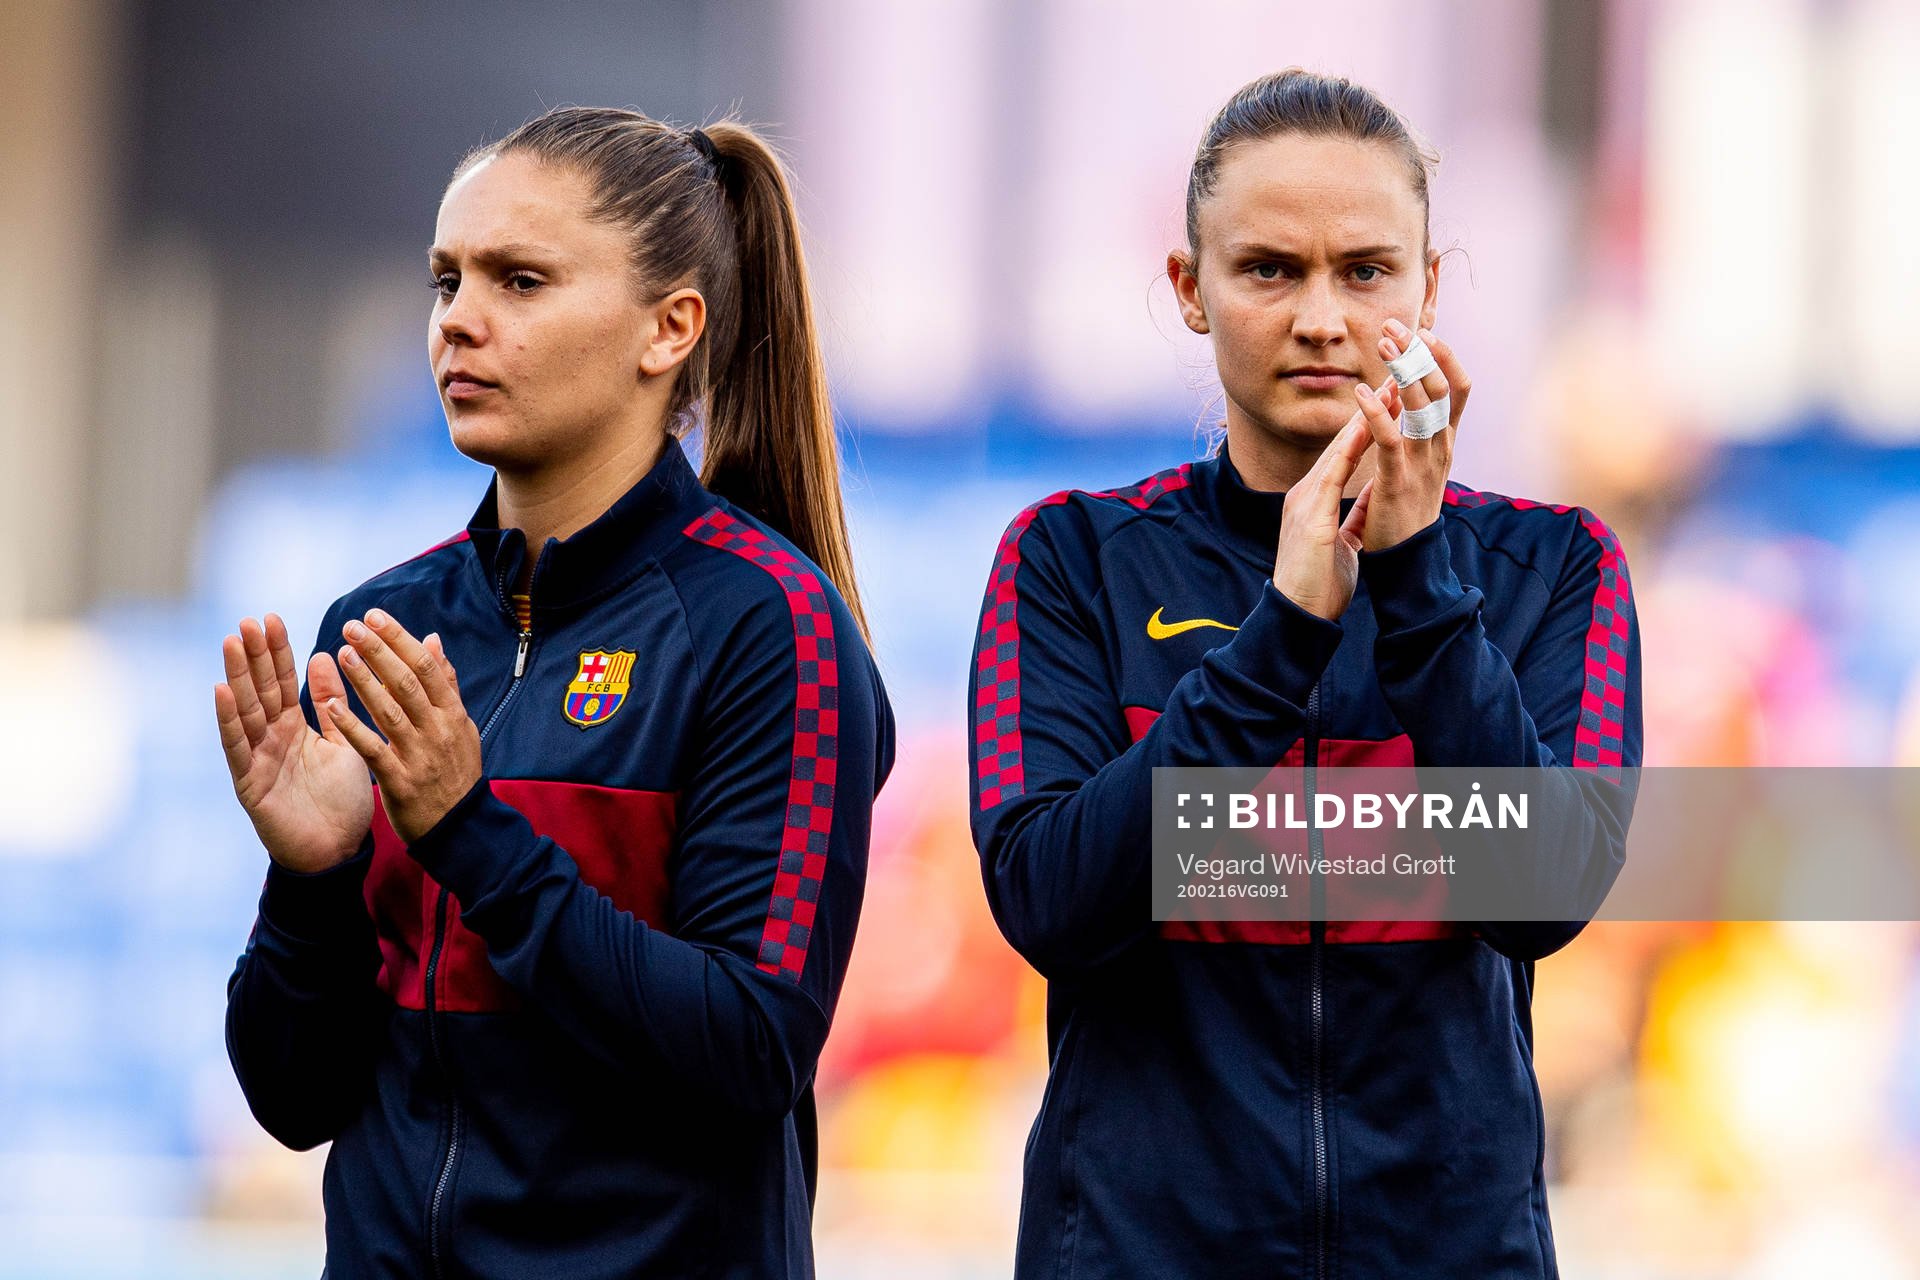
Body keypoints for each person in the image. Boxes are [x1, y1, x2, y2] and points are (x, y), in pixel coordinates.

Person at [966, 70, 1640, 1279]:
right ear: (1191, 288)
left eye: (1367, 271)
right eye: (1269, 269)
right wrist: (1279, 634)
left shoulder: (1551, 564)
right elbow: (1050, 901)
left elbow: (1543, 893)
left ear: (1429, 288)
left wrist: (1422, 583)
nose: (1322, 317)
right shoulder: (1069, 557)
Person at [216, 107, 894, 1279]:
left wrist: (470, 834)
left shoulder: (770, 629)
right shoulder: (386, 629)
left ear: (669, 328)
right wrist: (312, 880)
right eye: (447, 281)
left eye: (518, 280)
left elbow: (750, 1044)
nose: (458, 322)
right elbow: (294, 1093)